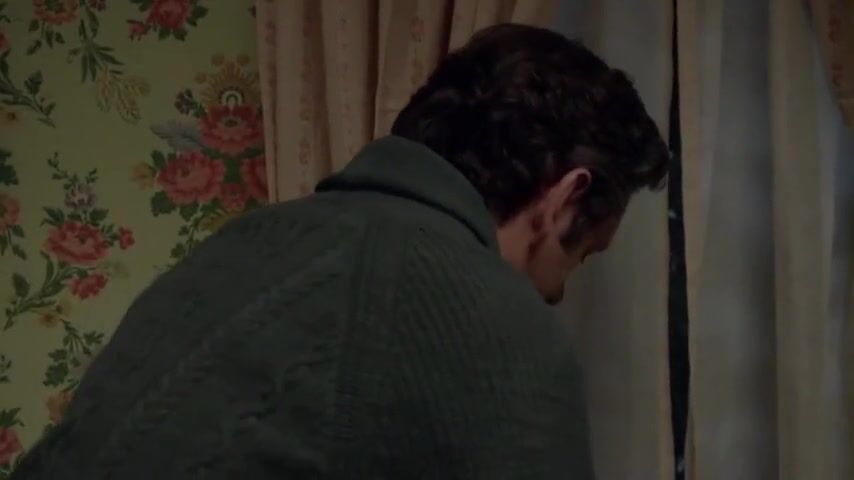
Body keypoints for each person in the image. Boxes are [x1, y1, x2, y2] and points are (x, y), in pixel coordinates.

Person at [11, 23, 668, 479]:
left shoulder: (240, 245)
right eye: (582, 256)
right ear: (564, 199)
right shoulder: (501, 324)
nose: (556, 291)